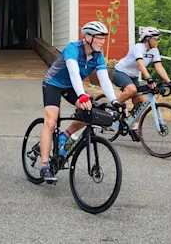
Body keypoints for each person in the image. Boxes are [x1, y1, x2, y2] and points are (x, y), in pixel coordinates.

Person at [38, 21, 121, 184]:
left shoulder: (98, 56)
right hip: (53, 84)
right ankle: (44, 165)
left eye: (104, 39)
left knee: (90, 112)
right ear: (88, 37)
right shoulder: (73, 49)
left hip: (70, 87)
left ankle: (65, 135)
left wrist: (115, 101)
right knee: (50, 122)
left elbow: (104, 80)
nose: (102, 42)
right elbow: (74, 73)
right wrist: (82, 94)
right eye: (99, 38)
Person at [111, 26, 171, 128]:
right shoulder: (138, 47)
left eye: (158, 39)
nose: (158, 41)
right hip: (120, 72)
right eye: (156, 39)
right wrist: (149, 78)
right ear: (148, 39)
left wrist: (169, 81)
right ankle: (114, 109)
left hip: (133, 76)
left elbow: (159, 66)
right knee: (132, 90)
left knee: (140, 102)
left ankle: (134, 127)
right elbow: (140, 65)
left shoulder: (154, 51)